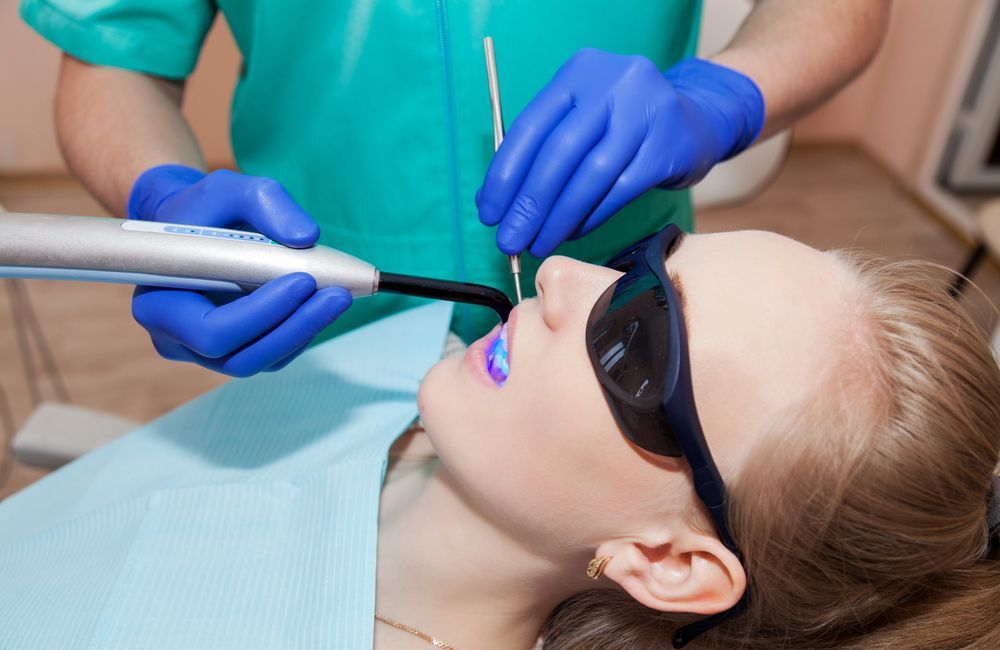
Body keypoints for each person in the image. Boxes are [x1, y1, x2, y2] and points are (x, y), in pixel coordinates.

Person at [1, 224, 997, 650]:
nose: (561, 275)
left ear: (666, 560)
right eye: (639, 265)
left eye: (638, 341)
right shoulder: (393, 366)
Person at [21, 0, 891, 375]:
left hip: (625, 285)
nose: (538, 299)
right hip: (307, 307)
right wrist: (166, 202)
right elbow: (112, 63)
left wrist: (723, 98)